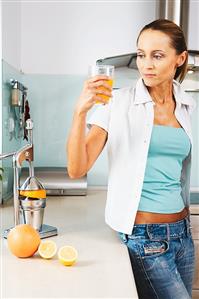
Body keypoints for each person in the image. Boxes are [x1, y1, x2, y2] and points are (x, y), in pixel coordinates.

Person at [67, 19, 196, 299]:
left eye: (157, 55)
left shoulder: (185, 104)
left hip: (183, 235)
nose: (146, 64)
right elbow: (77, 168)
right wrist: (80, 112)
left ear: (180, 58)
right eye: (141, 54)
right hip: (145, 238)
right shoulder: (117, 102)